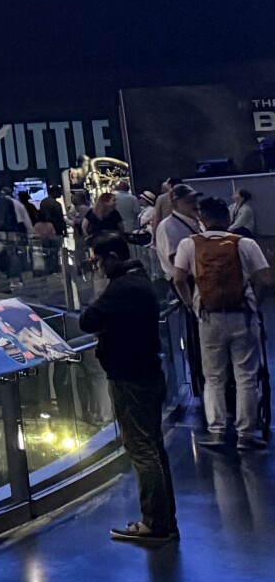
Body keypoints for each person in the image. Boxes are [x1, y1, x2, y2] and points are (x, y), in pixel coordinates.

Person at [80, 232, 177, 544]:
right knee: (153, 447)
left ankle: (154, 523)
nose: (96, 269)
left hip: (131, 378)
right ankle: (164, 520)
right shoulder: (139, 280)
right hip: (146, 372)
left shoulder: (123, 288)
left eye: (97, 262)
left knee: (142, 449)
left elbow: (87, 319)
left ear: (112, 258)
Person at [171, 195, 271, 450]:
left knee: (214, 378)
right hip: (242, 316)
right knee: (246, 377)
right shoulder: (245, 243)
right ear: (227, 218)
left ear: (202, 219)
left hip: (208, 317)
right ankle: (246, 434)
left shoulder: (189, 244)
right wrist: (254, 303)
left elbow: (178, 279)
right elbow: (265, 279)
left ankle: (216, 431)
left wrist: (191, 304)